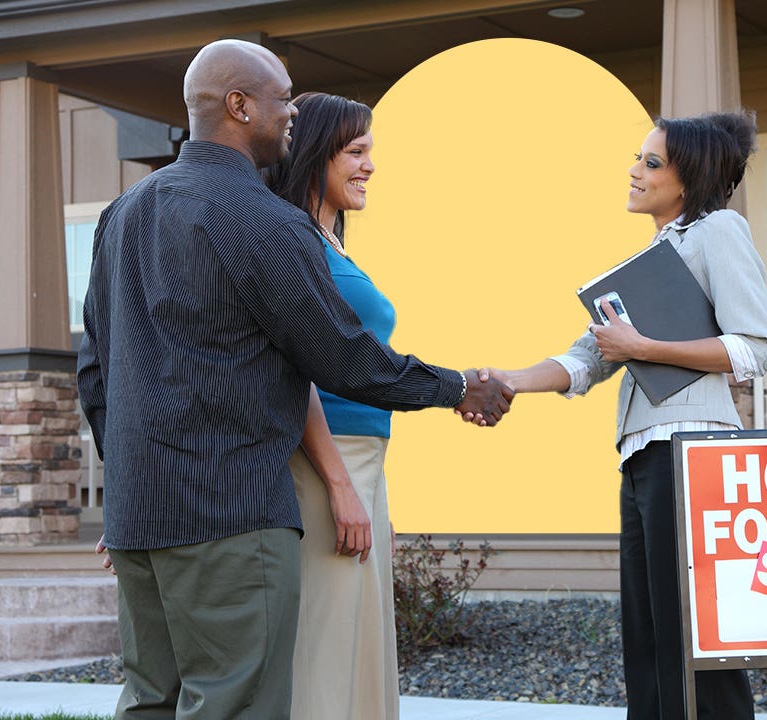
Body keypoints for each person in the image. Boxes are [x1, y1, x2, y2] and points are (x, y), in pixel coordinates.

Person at [77, 39, 513, 719]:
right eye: (282, 98)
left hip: (138, 518)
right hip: (232, 517)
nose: (291, 113)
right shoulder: (265, 222)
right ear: (239, 106)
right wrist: (459, 386)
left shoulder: (122, 213)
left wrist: (128, 473)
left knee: (150, 704)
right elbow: (343, 358)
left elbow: (94, 366)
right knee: (236, 704)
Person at [470, 112, 767, 720]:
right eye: (638, 158)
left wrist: (645, 348)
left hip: (693, 451)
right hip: (644, 455)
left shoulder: (718, 230)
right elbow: (586, 359)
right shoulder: (654, 258)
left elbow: (757, 346)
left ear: (687, 179)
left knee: (693, 630)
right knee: (650, 632)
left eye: (651, 162)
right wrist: (504, 381)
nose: (635, 171)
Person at [263, 91, 401, 720]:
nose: (369, 164)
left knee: (361, 637)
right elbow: (299, 373)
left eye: (370, 150)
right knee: (328, 639)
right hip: (326, 463)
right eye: (355, 151)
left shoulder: (331, 241)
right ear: (315, 153)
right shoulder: (295, 242)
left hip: (363, 459)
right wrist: (339, 483)